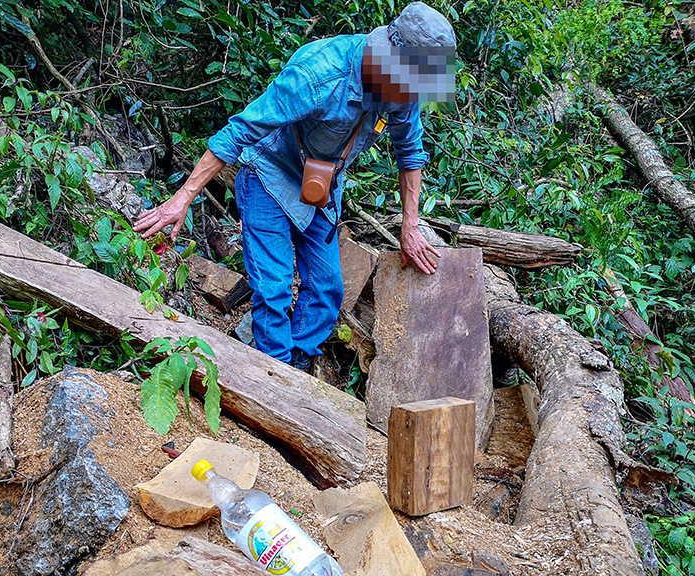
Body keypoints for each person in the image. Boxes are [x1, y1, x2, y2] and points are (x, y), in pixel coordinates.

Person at [134, 2, 457, 371]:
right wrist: (182, 198)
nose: (412, 95)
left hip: (320, 187)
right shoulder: (319, 73)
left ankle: (295, 371)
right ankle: (273, 378)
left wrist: (410, 224)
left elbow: (410, 152)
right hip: (269, 176)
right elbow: (240, 130)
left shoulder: (401, 93)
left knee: (327, 292)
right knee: (273, 288)